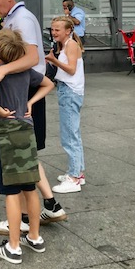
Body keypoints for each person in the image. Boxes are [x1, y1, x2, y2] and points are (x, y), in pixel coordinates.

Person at [0, 0, 67, 228]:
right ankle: (49, 205)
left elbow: (32, 58)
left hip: (23, 93)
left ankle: (22, 219)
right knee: (26, 154)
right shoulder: (13, 18)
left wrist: (1, 70)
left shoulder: (22, 19)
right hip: (27, 92)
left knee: (16, 156)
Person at [0, 29, 55, 264]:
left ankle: (13, 247)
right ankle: (34, 236)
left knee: (11, 192)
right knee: (29, 187)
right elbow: (48, 84)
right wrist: (30, 103)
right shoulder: (25, 72)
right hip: (27, 130)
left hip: (6, 134)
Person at [46, 16, 86, 193]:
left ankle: (74, 178)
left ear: (68, 31)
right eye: (52, 29)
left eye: (57, 29)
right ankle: (77, 173)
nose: (54, 32)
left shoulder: (70, 45)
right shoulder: (66, 45)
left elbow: (71, 69)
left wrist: (53, 60)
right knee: (72, 134)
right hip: (68, 90)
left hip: (69, 92)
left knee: (70, 136)